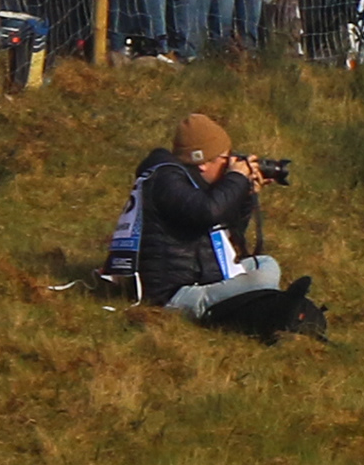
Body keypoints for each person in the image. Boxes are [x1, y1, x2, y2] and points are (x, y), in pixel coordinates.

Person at [96, 111, 314, 330]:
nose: (230, 163)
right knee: (257, 281)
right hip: (175, 293)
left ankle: (267, 307)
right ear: (202, 162)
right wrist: (235, 178)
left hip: (205, 275)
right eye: (225, 158)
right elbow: (206, 213)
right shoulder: (166, 180)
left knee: (267, 264)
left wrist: (246, 195)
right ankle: (273, 312)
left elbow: (231, 235)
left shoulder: (192, 183)